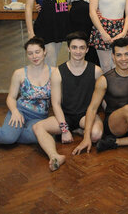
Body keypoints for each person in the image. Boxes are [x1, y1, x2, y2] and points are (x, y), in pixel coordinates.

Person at [33, 32, 103, 171]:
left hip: (86, 115)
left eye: (82, 48)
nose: (78, 51)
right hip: (65, 116)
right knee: (38, 127)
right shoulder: (58, 72)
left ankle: (78, 129)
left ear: (87, 49)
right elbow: (56, 104)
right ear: (68, 49)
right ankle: (55, 155)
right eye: (75, 47)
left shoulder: (96, 71)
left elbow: (101, 100)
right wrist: (64, 129)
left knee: (96, 134)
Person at [0, 37, 53, 144]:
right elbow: (11, 97)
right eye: (30, 53)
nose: (34, 56)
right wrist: (15, 111)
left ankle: (13, 133)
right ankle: (9, 134)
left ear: (44, 51)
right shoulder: (19, 73)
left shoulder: (54, 72)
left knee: (36, 137)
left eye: (37, 52)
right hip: (21, 111)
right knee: (7, 138)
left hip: (40, 116)